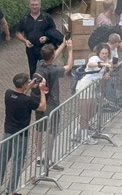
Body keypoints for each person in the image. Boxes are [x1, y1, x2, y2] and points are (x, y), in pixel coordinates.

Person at [0, 72, 46, 195]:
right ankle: (11, 190)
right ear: (23, 85)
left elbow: (19, 94)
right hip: (21, 135)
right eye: (27, 82)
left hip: (7, 132)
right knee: (17, 162)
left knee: (3, 159)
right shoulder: (27, 100)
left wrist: (29, 85)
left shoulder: (8, 94)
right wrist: (42, 91)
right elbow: (42, 107)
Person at [34, 41, 73, 172]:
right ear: (51, 57)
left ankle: (38, 157)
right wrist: (70, 50)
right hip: (52, 103)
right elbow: (68, 66)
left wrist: (63, 44)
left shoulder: (39, 65)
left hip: (40, 102)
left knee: (40, 129)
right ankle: (49, 158)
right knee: (52, 132)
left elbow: (52, 56)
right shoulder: (55, 70)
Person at [14, 0, 61, 77]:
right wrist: (25, 41)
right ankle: (34, 86)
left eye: (36, 5)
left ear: (40, 5)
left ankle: (45, 85)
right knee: (32, 69)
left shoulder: (46, 17)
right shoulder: (25, 19)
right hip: (31, 49)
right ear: (29, 6)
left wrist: (46, 37)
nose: (34, 7)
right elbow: (17, 33)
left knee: (46, 68)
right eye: (32, 5)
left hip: (44, 49)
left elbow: (53, 31)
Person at [75, 44, 112, 144]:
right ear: (99, 53)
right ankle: (83, 137)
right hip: (85, 86)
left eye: (106, 53)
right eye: (102, 53)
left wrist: (108, 72)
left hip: (93, 88)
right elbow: (91, 64)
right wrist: (103, 65)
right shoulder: (95, 58)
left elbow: (110, 67)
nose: (104, 55)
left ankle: (77, 132)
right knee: (85, 113)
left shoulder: (108, 60)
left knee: (91, 111)